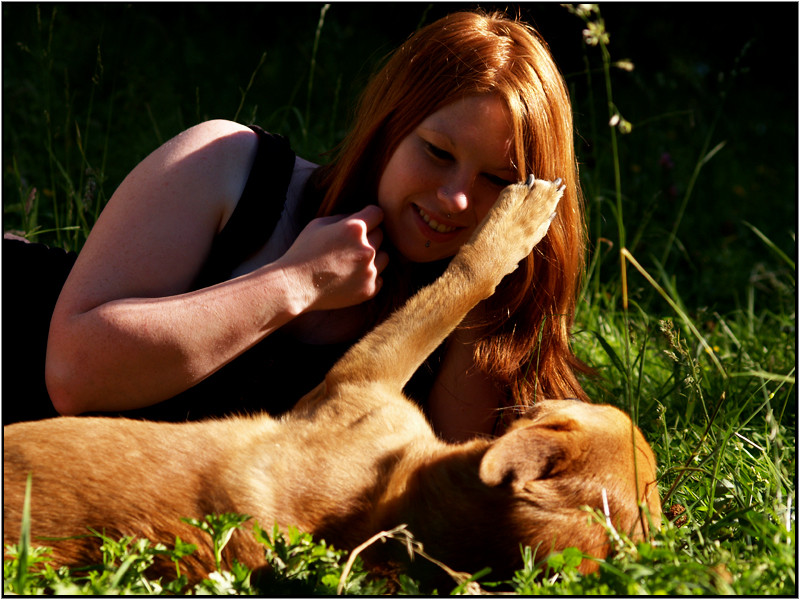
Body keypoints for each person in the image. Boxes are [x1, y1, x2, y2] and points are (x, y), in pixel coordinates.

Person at [4, 10, 589, 441]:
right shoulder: (231, 168)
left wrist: (477, 285)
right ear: (389, 127)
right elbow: (74, 374)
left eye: (496, 180)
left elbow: (452, 490)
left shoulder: (471, 310)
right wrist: (295, 282)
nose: (457, 199)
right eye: (437, 152)